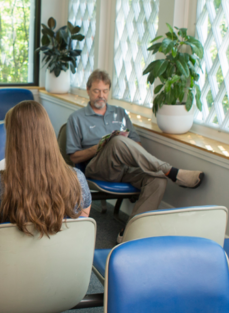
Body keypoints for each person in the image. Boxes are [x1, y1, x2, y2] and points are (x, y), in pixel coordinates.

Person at [0, 100, 92, 313]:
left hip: (6, 276)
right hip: (61, 270)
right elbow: (82, 223)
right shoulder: (78, 178)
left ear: (14, 139)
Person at [65, 69, 205, 220]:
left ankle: (131, 231)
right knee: (116, 141)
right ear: (88, 90)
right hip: (98, 169)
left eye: (105, 91)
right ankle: (171, 171)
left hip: (125, 168)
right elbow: (74, 157)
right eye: (96, 91)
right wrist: (99, 147)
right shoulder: (76, 118)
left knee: (158, 180)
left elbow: (136, 144)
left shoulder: (120, 113)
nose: (101, 95)